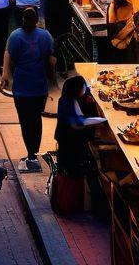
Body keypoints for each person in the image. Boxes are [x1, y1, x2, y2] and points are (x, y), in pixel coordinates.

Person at [1, 6, 56, 172]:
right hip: (40, 87)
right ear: (36, 20)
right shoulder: (45, 36)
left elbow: (9, 57)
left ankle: (31, 155)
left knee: (26, 122)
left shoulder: (16, 36)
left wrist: (5, 78)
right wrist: (52, 81)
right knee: (36, 120)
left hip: (22, 88)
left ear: (23, 20)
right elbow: (51, 59)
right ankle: (33, 153)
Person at [55, 75, 107, 210]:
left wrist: (88, 95)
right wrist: (101, 120)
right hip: (69, 144)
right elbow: (78, 124)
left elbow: (88, 88)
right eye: (83, 88)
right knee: (73, 171)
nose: (85, 89)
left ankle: (78, 202)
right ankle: (71, 202)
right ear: (76, 90)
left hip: (70, 142)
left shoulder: (70, 99)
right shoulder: (67, 102)